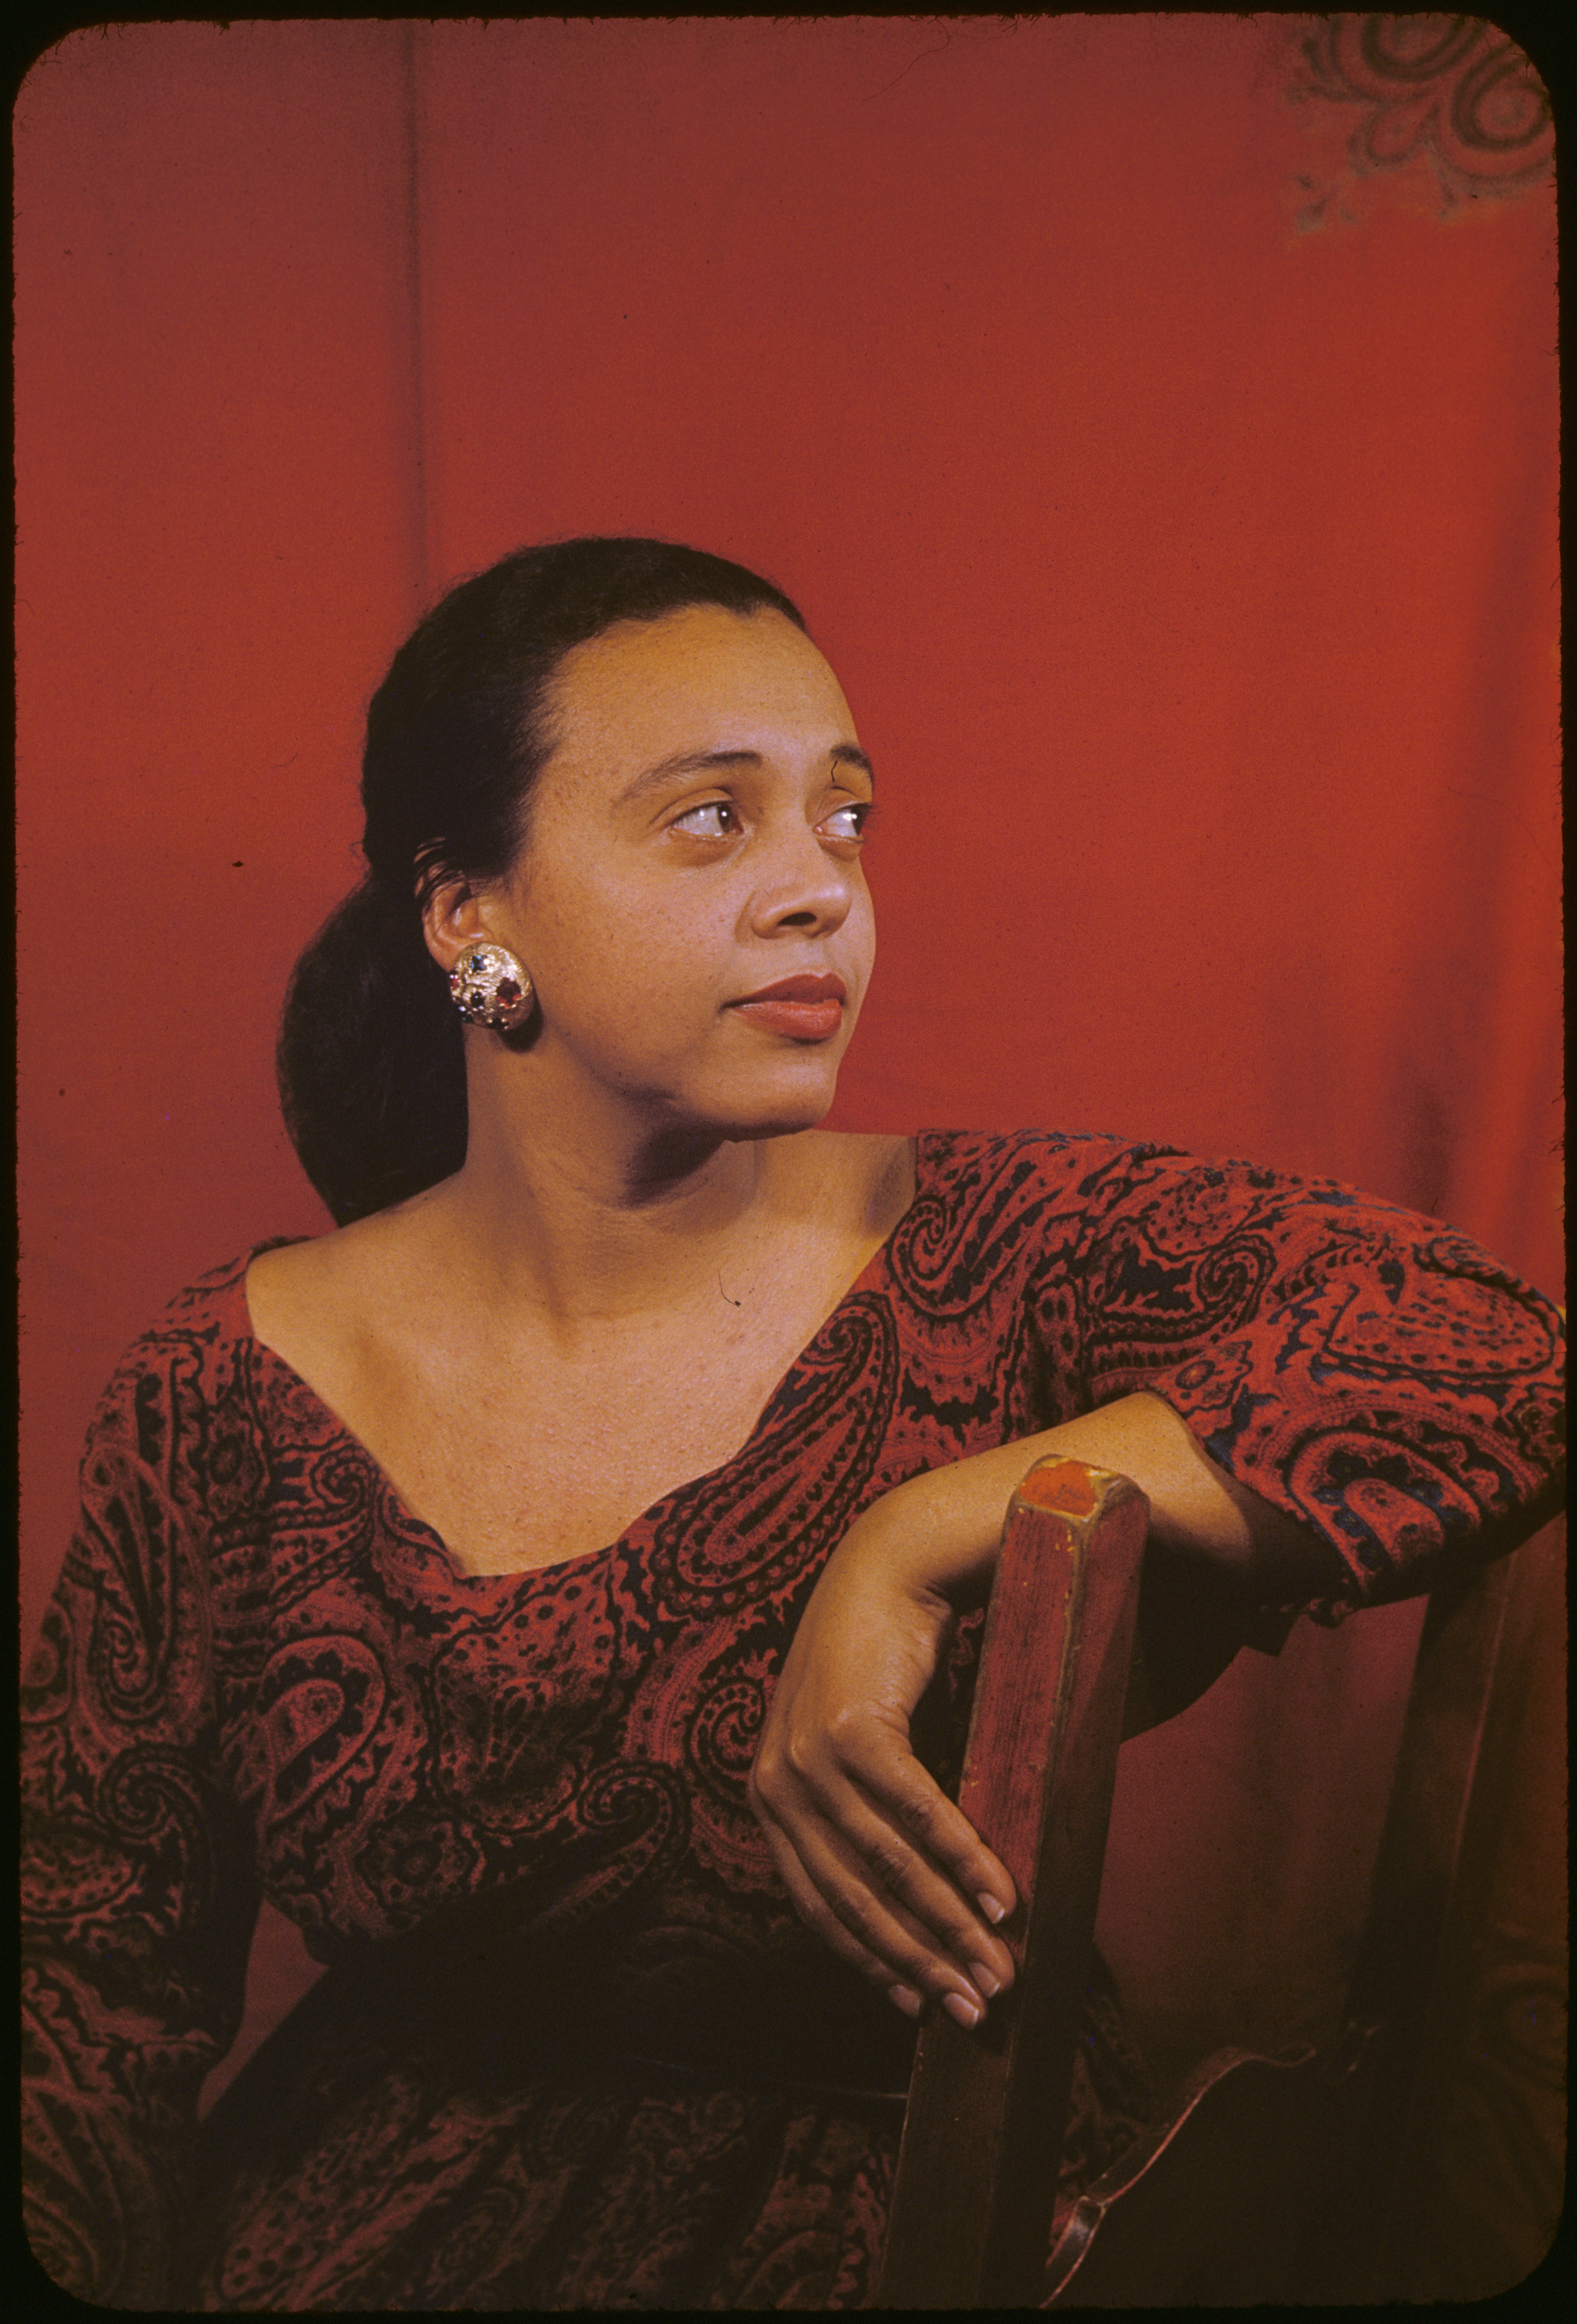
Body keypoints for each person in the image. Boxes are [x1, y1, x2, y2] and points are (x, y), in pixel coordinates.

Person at [22, 538, 1564, 2310]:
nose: (820, 890)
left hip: (936, 2226)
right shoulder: (223, 1384)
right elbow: (84, 1976)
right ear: (472, 919)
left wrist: (918, 1533)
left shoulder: (998, 1253)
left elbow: (1500, 1349)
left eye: (843, 820)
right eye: (709, 821)